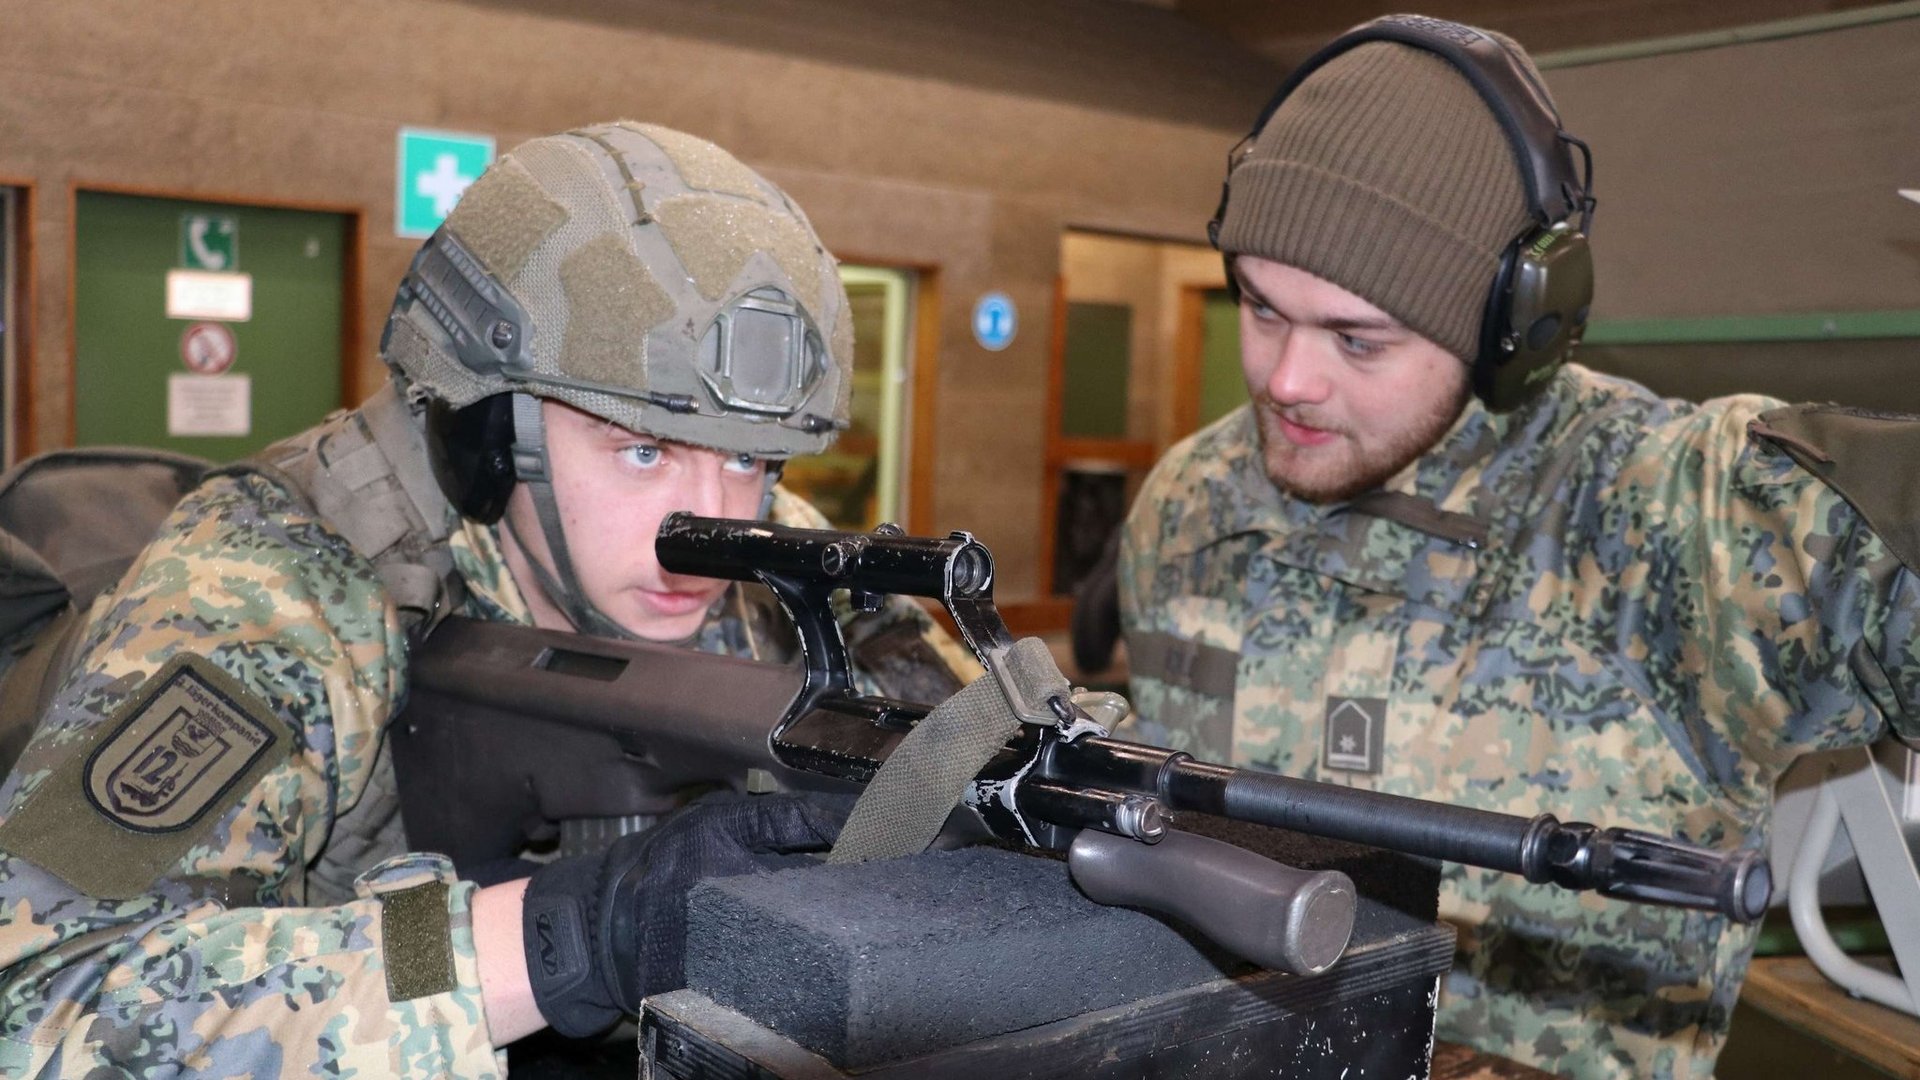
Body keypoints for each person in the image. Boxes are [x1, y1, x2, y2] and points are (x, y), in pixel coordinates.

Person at [0, 122, 976, 1075]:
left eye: (750, 459)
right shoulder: (271, 582)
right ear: (487, 435)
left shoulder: (765, 542)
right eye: (642, 451)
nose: (708, 536)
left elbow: (984, 741)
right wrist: (574, 935)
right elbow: (42, 1002)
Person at [1117, 15, 1920, 1080]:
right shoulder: (1191, 501)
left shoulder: (1670, 518)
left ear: (1513, 322)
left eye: (1358, 338)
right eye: (1261, 309)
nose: (1287, 380)